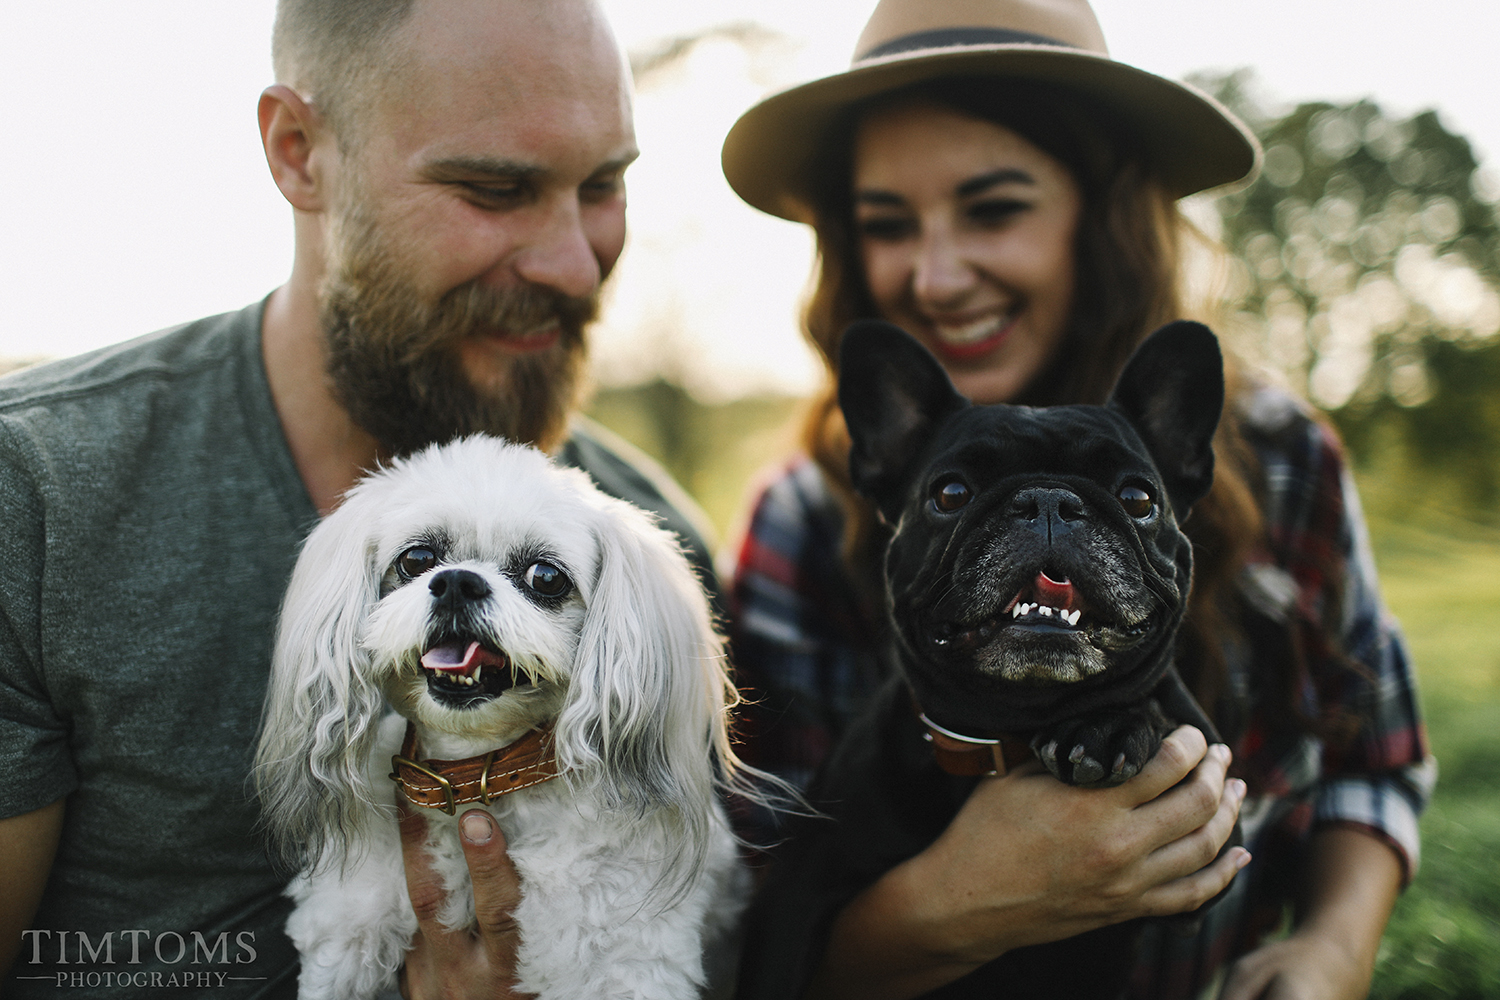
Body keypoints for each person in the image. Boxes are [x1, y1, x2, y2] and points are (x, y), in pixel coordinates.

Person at [721, 0, 1435, 997]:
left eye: (993, 208)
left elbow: (1376, 753)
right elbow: (756, 918)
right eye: (887, 224)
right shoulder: (805, 516)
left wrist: (1332, 944)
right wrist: (958, 899)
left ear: (1103, 219)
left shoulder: (1278, 463)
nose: (935, 274)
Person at [0, 1, 715, 997]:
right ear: (299, 152)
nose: (575, 261)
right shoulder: (35, 492)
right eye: (495, 188)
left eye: (603, 186)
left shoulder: (653, 550)